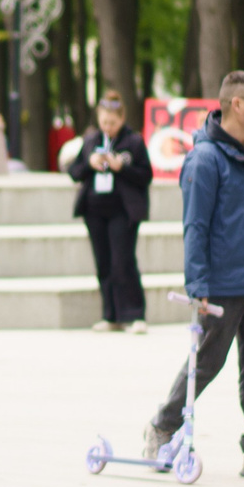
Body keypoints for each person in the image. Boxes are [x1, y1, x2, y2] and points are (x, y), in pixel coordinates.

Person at [146, 71, 244, 478]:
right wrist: (197, 284)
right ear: (237, 104)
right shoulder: (204, 159)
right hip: (223, 285)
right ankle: (163, 425)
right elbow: (195, 225)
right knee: (207, 363)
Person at [70, 92, 151, 329]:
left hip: (122, 210)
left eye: (113, 123)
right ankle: (111, 315)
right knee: (103, 262)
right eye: (104, 122)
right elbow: (74, 171)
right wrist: (90, 163)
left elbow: (145, 175)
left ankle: (135, 314)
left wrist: (120, 168)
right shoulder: (91, 140)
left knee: (122, 261)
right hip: (95, 209)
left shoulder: (133, 142)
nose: (108, 128)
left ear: (122, 119)